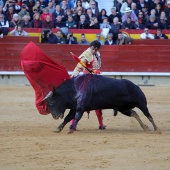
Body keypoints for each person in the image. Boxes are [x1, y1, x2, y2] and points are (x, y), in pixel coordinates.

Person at [70, 40, 106, 130]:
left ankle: (101, 124)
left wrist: (95, 72)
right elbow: (78, 67)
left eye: (96, 50)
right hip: (87, 80)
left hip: (96, 80)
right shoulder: (86, 54)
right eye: (93, 49)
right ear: (90, 47)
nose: (94, 51)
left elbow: (96, 67)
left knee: (99, 102)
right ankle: (72, 124)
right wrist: (73, 78)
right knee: (80, 103)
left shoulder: (97, 55)